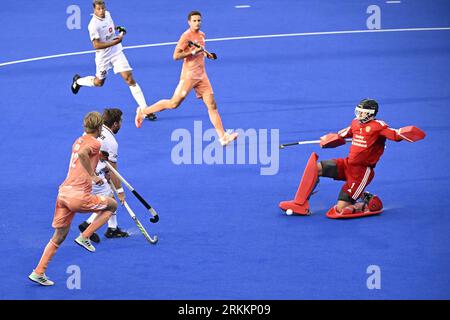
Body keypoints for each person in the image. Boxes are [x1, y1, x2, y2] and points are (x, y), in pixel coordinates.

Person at [279, 99, 426, 218]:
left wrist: (406, 133)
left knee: (341, 209)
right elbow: (342, 135)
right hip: (347, 164)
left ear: (371, 113)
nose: (359, 115)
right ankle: (299, 204)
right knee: (316, 168)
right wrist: (329, 138)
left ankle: (368, 202)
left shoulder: (378, 126)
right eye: (358, 111)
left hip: (361, 173)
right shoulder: (355, 123)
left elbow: (394, 134)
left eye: (363, 112)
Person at [29, 112, 118, 286]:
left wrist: (101, 160)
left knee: (59, 235)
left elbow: (85, 154)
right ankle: (85, 236)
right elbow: (85, 154)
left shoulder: (79, 140)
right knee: (112, 205)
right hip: (78, 196)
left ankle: (38, 272)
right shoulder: (94, 142)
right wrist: (93, 175)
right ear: (99, 127)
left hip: (63, 193)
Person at [135, 10, 238, 146]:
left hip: (202, 76)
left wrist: (207, 55)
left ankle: (223, 137)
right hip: (188, 76)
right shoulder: (185, 37)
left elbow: (201, 50)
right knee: (173, 104)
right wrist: (193, 51)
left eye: (199, 20)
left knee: (212, 105)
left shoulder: (202, 35)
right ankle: (143, 111)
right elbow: (176, 56)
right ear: (189, 22)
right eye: (194, 21)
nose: (197, 23)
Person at [71, 0, 156, 121]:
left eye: (103, 8)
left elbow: (109, 29)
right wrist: (115, 41)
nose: (101, 11)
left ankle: (145, 110)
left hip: (116, 52)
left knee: (129, 79)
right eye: (98, 9)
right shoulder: (93, 25)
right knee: (99, 83)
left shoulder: (108, 15)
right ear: (94, 10)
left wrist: (118, 29)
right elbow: (96, 45)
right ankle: (78, 81)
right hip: (103, 57)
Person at [78, 108, 129, 243]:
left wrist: (105, 170)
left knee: (108, 197)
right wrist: (121, 191)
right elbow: (113, 170)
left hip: (81, 172)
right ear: (115, 124)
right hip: (94, 177)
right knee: (110, 201)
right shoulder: (112, 143)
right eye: (121, 121)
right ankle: (88, 227)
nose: (121, 124)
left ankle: (112, 228)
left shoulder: (92, 130)